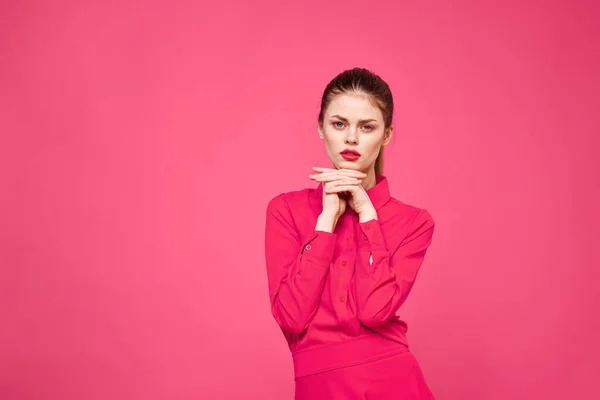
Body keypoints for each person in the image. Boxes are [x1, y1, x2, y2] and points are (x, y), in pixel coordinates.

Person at [264, 67, 436, 399]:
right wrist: (327, 220)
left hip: (395, 382)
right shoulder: (286, 210)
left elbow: (374, 310)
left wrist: (368, 215)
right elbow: (291, 318)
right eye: (339, 124)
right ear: (320, 127)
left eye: (367, 127)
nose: (351, 138)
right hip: (319, 385)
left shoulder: (414, 222)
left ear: (386, 135)